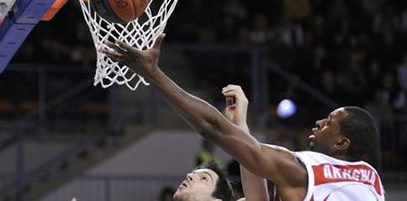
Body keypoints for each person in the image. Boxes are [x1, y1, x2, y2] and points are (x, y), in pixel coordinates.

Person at [102, 33, 385, 201]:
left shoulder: (305, 169)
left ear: (341, 143)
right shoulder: (372, 183)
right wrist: (241, 127)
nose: (318, 124)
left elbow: (213, 128)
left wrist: (154, 75)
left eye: (328, 123)